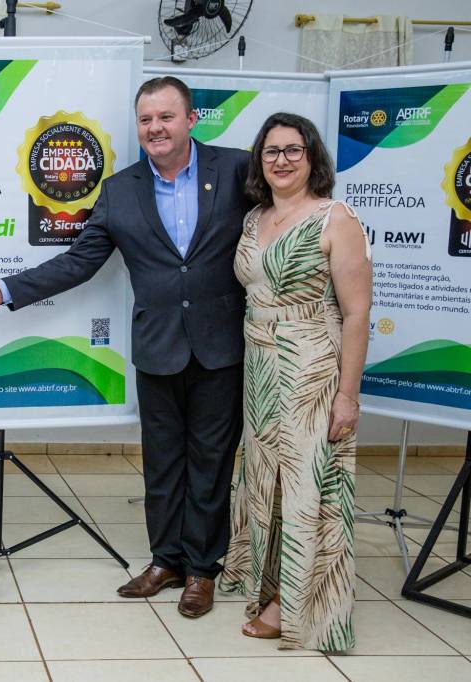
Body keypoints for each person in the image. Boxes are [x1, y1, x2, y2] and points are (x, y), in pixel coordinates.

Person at [0, 76, 252, 618]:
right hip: (157, 347)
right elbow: (79, 261)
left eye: (166, 117)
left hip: (222, 346)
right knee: (161, 463)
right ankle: (165, 561)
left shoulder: (237, 169)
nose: (155, 128)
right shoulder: (120, 189)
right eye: (146, 119)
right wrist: (4, 289)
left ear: (192, 120)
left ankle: (201, 569)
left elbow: (279, 221)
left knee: (212, 462)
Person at [218, 112, 371, 651]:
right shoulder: (254, 219)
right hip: (259, 367)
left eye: (292, 150)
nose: (281, 160)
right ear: (259, 160)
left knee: (307, 485)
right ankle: (269, 585)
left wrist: (347, 396)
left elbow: (357, 313)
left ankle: (296, 605)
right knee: (267, 483)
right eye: (271, 151)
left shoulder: (336, 218)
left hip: (312, 368)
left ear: (312, 157)